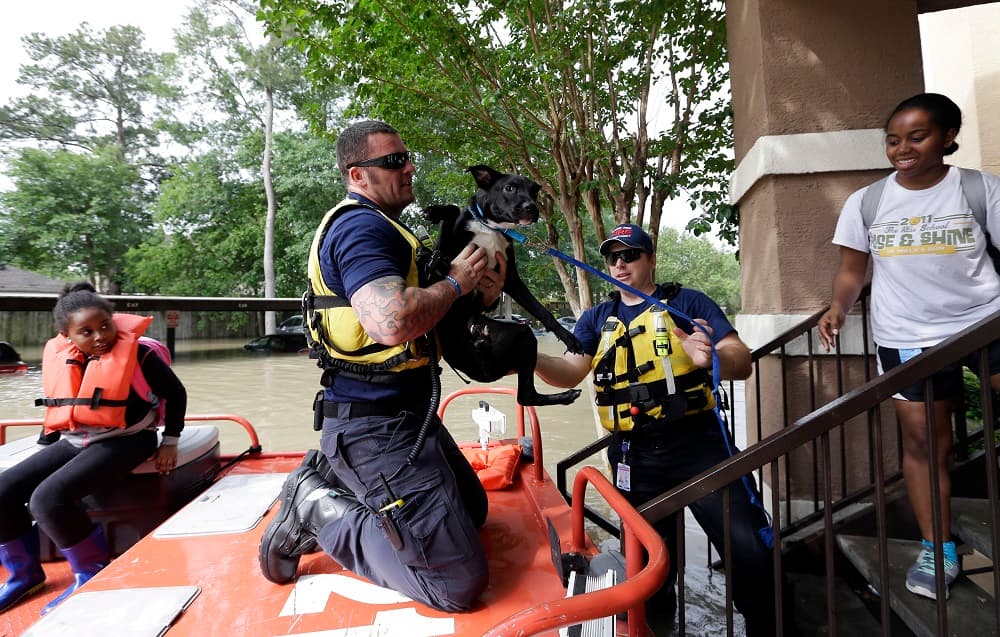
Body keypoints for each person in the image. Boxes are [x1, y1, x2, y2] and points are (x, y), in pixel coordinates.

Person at [258, 120, 507, 612]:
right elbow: (390, 323)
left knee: (474, 513)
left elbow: (424, 310)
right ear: (358, 174)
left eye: (406, 156)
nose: (409, 166)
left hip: (410, 418)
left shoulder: (389, 228)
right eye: (394, 161)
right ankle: (314, 506)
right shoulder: (360, 228)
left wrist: (475, 291)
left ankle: (332, 473)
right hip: (374, 427)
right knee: (456, 583)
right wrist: (456, 283)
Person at [534, 223, 778, 636]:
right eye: (612, 256)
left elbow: (741, 358)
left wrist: (711, 357)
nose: (619, 264)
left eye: (630, 255)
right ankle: (659, 624)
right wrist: (525, 357)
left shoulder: (686, 302)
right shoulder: (597, 318)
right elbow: (570, 372)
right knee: (650, 565)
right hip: (635, 457)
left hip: (700, 448)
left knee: (747, 551)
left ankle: (767, 624)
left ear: (650, 259)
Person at [818, 92, 1000, 600]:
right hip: (905, 337)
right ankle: (936, 548)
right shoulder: (868, 201)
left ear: (946, 136)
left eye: (917, 137)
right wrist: (837, 307)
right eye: (894, 139)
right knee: (924, 446)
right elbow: (852, 271)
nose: (903, 148)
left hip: (986, 324)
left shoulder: (979, 189)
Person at [0, 282, 186, 614]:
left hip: (129, 439)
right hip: (78, 439)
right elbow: (61, 405)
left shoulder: (140, 355)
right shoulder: (64, 357)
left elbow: (176, 393)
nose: (100, 336)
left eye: (105, 326)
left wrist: (170, 441)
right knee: (3, 489)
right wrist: (44, 445)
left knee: (47, 499)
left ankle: (91, 572)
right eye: (86, 332)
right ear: (67, 336)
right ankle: (23, 574)